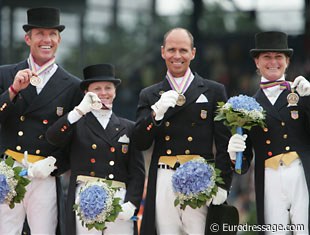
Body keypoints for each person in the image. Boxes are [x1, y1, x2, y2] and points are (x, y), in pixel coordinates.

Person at [132, 27, 233, 235]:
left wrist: (224, 184)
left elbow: (224, 143)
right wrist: (155, 114)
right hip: (164, 178)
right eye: (171, 50)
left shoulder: (214, 91)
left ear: (193, 53)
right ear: (162, 52)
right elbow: (140, 142)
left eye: (183, 50)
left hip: (200, 179)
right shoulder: (149, 94)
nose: (177, 56)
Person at [0, 7, 83, 235]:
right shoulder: (6, 74)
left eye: (52, 34)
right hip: (8, 171)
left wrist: (54, 165)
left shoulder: (73, 85)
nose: (46, 40)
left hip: (44, 173)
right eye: (40, 34)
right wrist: (13, 91)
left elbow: (73, 136)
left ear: (59, 39)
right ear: (28, 38)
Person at [46, 63, 145, 235]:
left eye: (108, 88)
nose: (104, 93)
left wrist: (131, 203)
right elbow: (53, 137)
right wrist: (78, 111)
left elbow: (137, 172)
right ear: (86, 93)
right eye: (97, 88)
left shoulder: (129, 127)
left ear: (115, 92)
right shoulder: (77, 123)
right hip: (85, 199)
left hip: (119, 199)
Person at [228, 31, 310, 234]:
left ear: (287, 61)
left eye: (278, 57)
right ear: (257, 62)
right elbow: (242, 165)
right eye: (267, 57)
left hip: (301, 173)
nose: (273, 62)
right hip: (269, 177)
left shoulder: (300, 94)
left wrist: (309, 101)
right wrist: (233, 154)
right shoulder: (247, 107)